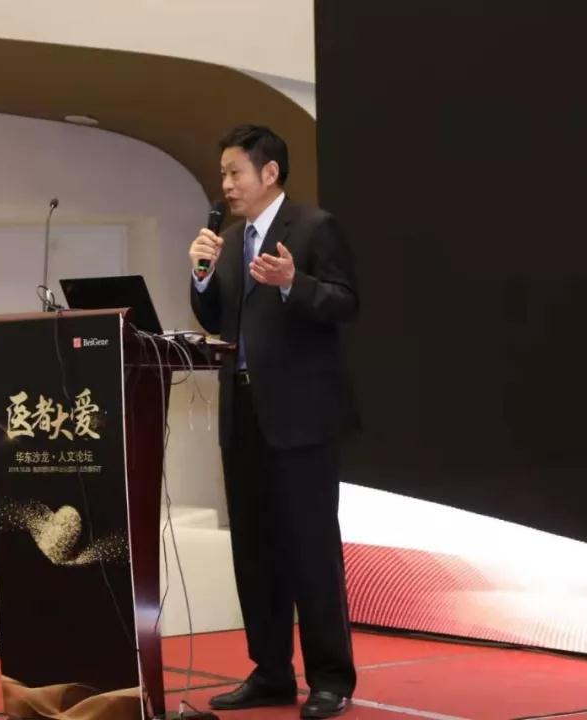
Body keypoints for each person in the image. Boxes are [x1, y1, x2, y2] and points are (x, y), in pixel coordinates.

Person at [189, 125, 360, 718]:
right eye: (223, 174)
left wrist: (294, 284)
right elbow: (217, 317)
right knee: (255, 550)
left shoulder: (314, 228)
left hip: (301, 419)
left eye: (234, 172)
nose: (227, 184)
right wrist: (202, 275)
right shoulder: (231, 240)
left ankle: (331, 679)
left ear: (269, 172)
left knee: (310, 550)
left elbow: (346, 302)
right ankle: (270, 672)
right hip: (242, 415)